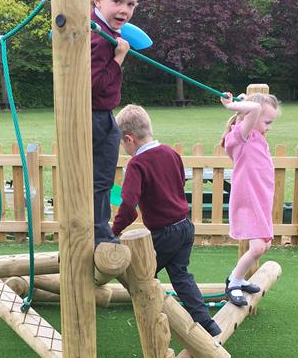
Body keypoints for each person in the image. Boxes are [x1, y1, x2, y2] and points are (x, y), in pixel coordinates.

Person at [111, 104, 221, 338]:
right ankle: (208, 325)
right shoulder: (171, 153)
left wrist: (114, 232)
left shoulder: (137, 164)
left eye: (123, 144)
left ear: (129, 139)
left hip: (164, 234)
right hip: (185, 227)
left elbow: (129, 207)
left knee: (139, 277)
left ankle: (155, 326)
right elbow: (179, 183)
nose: (124, 149)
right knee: (180, 275)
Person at [90, 0, 145, 245]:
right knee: (100, 178)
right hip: (96, 115)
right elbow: (94, 85)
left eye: (131, 4)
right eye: (118, 1)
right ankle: (99, 232)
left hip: (98, 115)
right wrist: (118, 59)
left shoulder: (101, 28)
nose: (124, 10)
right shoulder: (99, 38)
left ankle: (98, 229)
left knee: (98, 177)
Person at [219, 92, 281, 306]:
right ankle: (233, 282)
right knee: (256, 248)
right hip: (248, 199)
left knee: (264, 246)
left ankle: (239, 279)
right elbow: (253, 110)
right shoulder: (240, 137)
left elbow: (252, 111)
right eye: (267, 122)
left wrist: (243, 106)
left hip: (261, 199)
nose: (269, 127)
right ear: (250, 118)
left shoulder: (256, 137)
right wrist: (231, 105)